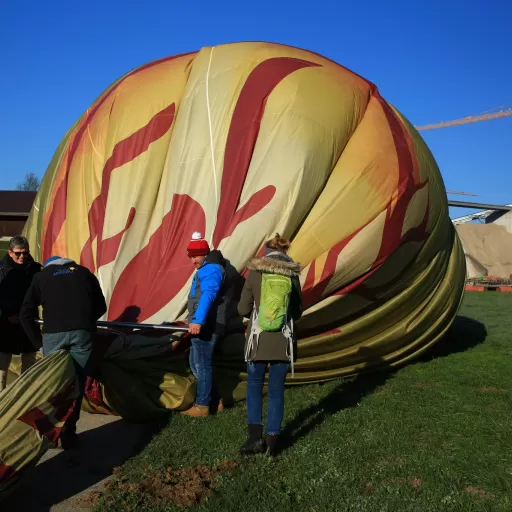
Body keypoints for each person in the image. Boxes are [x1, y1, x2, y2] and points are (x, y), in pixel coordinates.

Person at [20, 255, 107, 448]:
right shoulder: (84, 273)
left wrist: (38, 343)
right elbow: (101, 306)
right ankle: (69, 434)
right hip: (82, 335)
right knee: (76, 384)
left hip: (53, 335)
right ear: (69, 263)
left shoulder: (42, 277)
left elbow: (25, 314)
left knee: (53, 384)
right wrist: (84, 322)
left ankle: (50, 432)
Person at [237, 233, 303, 456]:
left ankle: (255, 438)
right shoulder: (292, 275)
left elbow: (242, 309)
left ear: (265, 252)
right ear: (285, 252)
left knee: (254, 386)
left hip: (257, 340)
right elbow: (298, 311)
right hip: (283, 342)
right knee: (276, 390)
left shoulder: (255, 272)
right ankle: (273, 439)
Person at [181, 232, 227, 417]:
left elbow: (208, 294)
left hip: (207, 325)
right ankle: (216, 400)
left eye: (195, 256)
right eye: (190, 256)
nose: (192, 260)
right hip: (203, 323)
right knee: (196, 362)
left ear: (204, 253)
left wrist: (198, 321)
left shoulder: (211, 269)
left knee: (202, 364)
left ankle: (202, 405)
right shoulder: (208, 269)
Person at [0, 236, 41, 391]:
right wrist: (8, 314)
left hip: (28, 320)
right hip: (5, 321)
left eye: (25, 253)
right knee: (2, 363)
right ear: (10, 252)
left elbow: (38, 294)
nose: (22, 256)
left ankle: (24, 398)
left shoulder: (35, 268)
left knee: (29, 360)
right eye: (18, 253)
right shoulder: (1, 269)